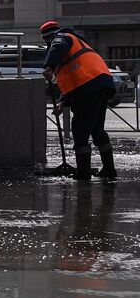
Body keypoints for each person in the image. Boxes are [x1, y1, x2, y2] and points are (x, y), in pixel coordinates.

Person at [40, 20, 116, 182]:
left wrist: (48, 66)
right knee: (97, 130)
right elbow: (71, 79)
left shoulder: (61, 38)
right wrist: (62, 101)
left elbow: (58, 46)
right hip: (100, 84)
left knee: (80, 131)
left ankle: (83, 173)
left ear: (47, 38)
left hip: (89, 86)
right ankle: (109, 169)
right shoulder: (75, 42)